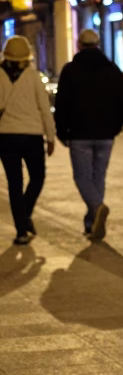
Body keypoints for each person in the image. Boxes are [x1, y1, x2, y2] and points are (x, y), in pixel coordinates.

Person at [54, 28, 123, 241]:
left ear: (79, 45)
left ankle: (97, 208)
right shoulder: (112, 69)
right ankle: (91, 223)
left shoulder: (70, 70)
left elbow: (61, 104)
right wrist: (116, 127)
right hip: (106, 133)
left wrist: (61, 131)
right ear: (98, 44)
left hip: (79, 134)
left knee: (82, 176)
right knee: (98, 177)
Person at [0, 35, 57, 246]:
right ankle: (25, 214)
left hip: (5, 137)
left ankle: (21, 231)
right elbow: (44, 108)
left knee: (15, 184)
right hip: (32, 136)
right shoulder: (33, 76)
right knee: (38, 178)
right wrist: (50, 137)